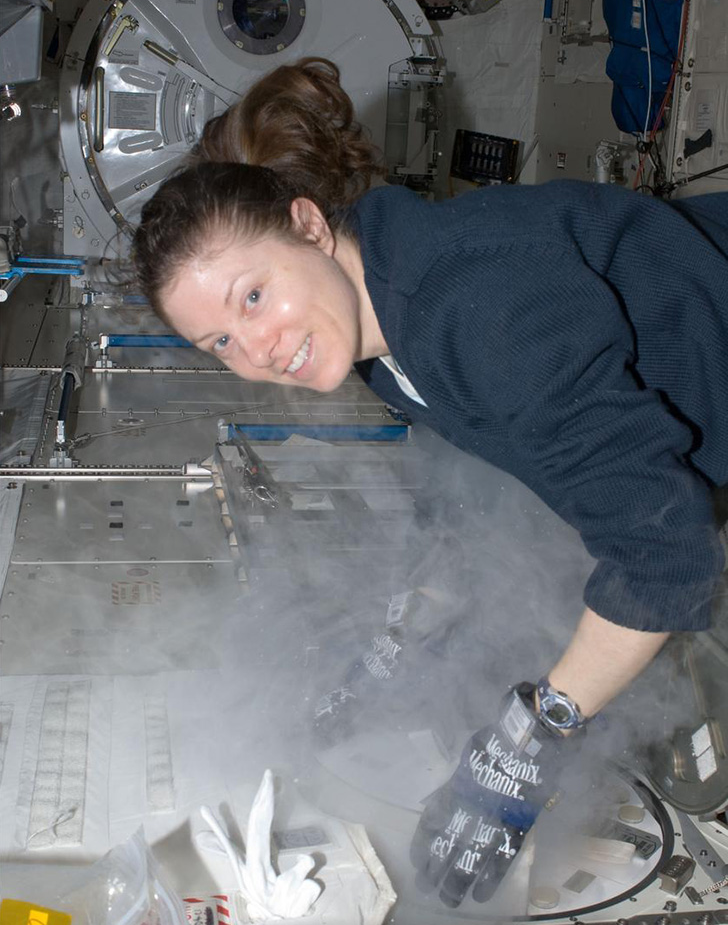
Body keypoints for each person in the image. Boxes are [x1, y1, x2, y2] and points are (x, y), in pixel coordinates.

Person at [132, 58, 728, 907]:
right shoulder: (383, 333)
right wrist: (395, 641)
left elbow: (666, 555)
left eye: (253, 296)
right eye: (220, 342)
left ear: (305, 223)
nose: (256, 349)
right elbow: (480, 494)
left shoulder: (471, 304)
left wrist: (528, 743)